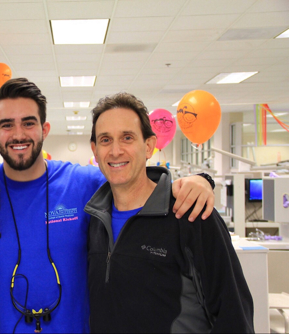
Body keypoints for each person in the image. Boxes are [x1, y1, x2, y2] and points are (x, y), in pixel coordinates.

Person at [0, 78, 215, 333]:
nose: (18, 134)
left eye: (28, 123)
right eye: (7, 125)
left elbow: (133, 176)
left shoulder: (82, 183)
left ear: (44, 128)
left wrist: (199, 180)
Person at [85, 92, 254, 332]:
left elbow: (233, 315)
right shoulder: (93, 221)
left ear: (149, 146)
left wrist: (203, 180)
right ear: (95, 150)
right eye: (105, 140)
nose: (115, 151)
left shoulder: (191, 214)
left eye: (127, 137)